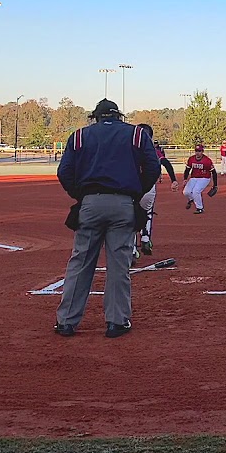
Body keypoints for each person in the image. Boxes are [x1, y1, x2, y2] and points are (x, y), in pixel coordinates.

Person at [55, 99, 160, 338]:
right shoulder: (136, 134)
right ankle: (116, 321)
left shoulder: (80, 136)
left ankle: (66, 322)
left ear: (96, 117)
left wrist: (80, 195)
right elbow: (153, 169)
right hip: (123, 204)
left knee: (80, 261)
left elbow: (64, 172)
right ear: (118, 116)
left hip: (90, 203)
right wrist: (135, 192)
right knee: (119, 265)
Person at [134, 128, 178, 259]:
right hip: (148, 187)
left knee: (130, 216)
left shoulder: (129, 148)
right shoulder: (153, 151)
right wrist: (174, 180)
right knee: (147, 212)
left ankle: (131, 249)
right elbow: (166, 163)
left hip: (131, 187)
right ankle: (146, 237)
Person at [182, 144, 218, 214]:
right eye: (196, 151)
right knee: (186, 192)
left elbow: (214, 173)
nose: (197, 153)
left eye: (199, 151)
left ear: (202, 151)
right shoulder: (191, 159)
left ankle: (200, 208)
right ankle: (192, 199)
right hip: (194, 178)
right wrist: (185, 179)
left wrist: (215, 185)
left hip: (204, 178)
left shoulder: (207, 161)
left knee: (196, 191)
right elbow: (187, 170)